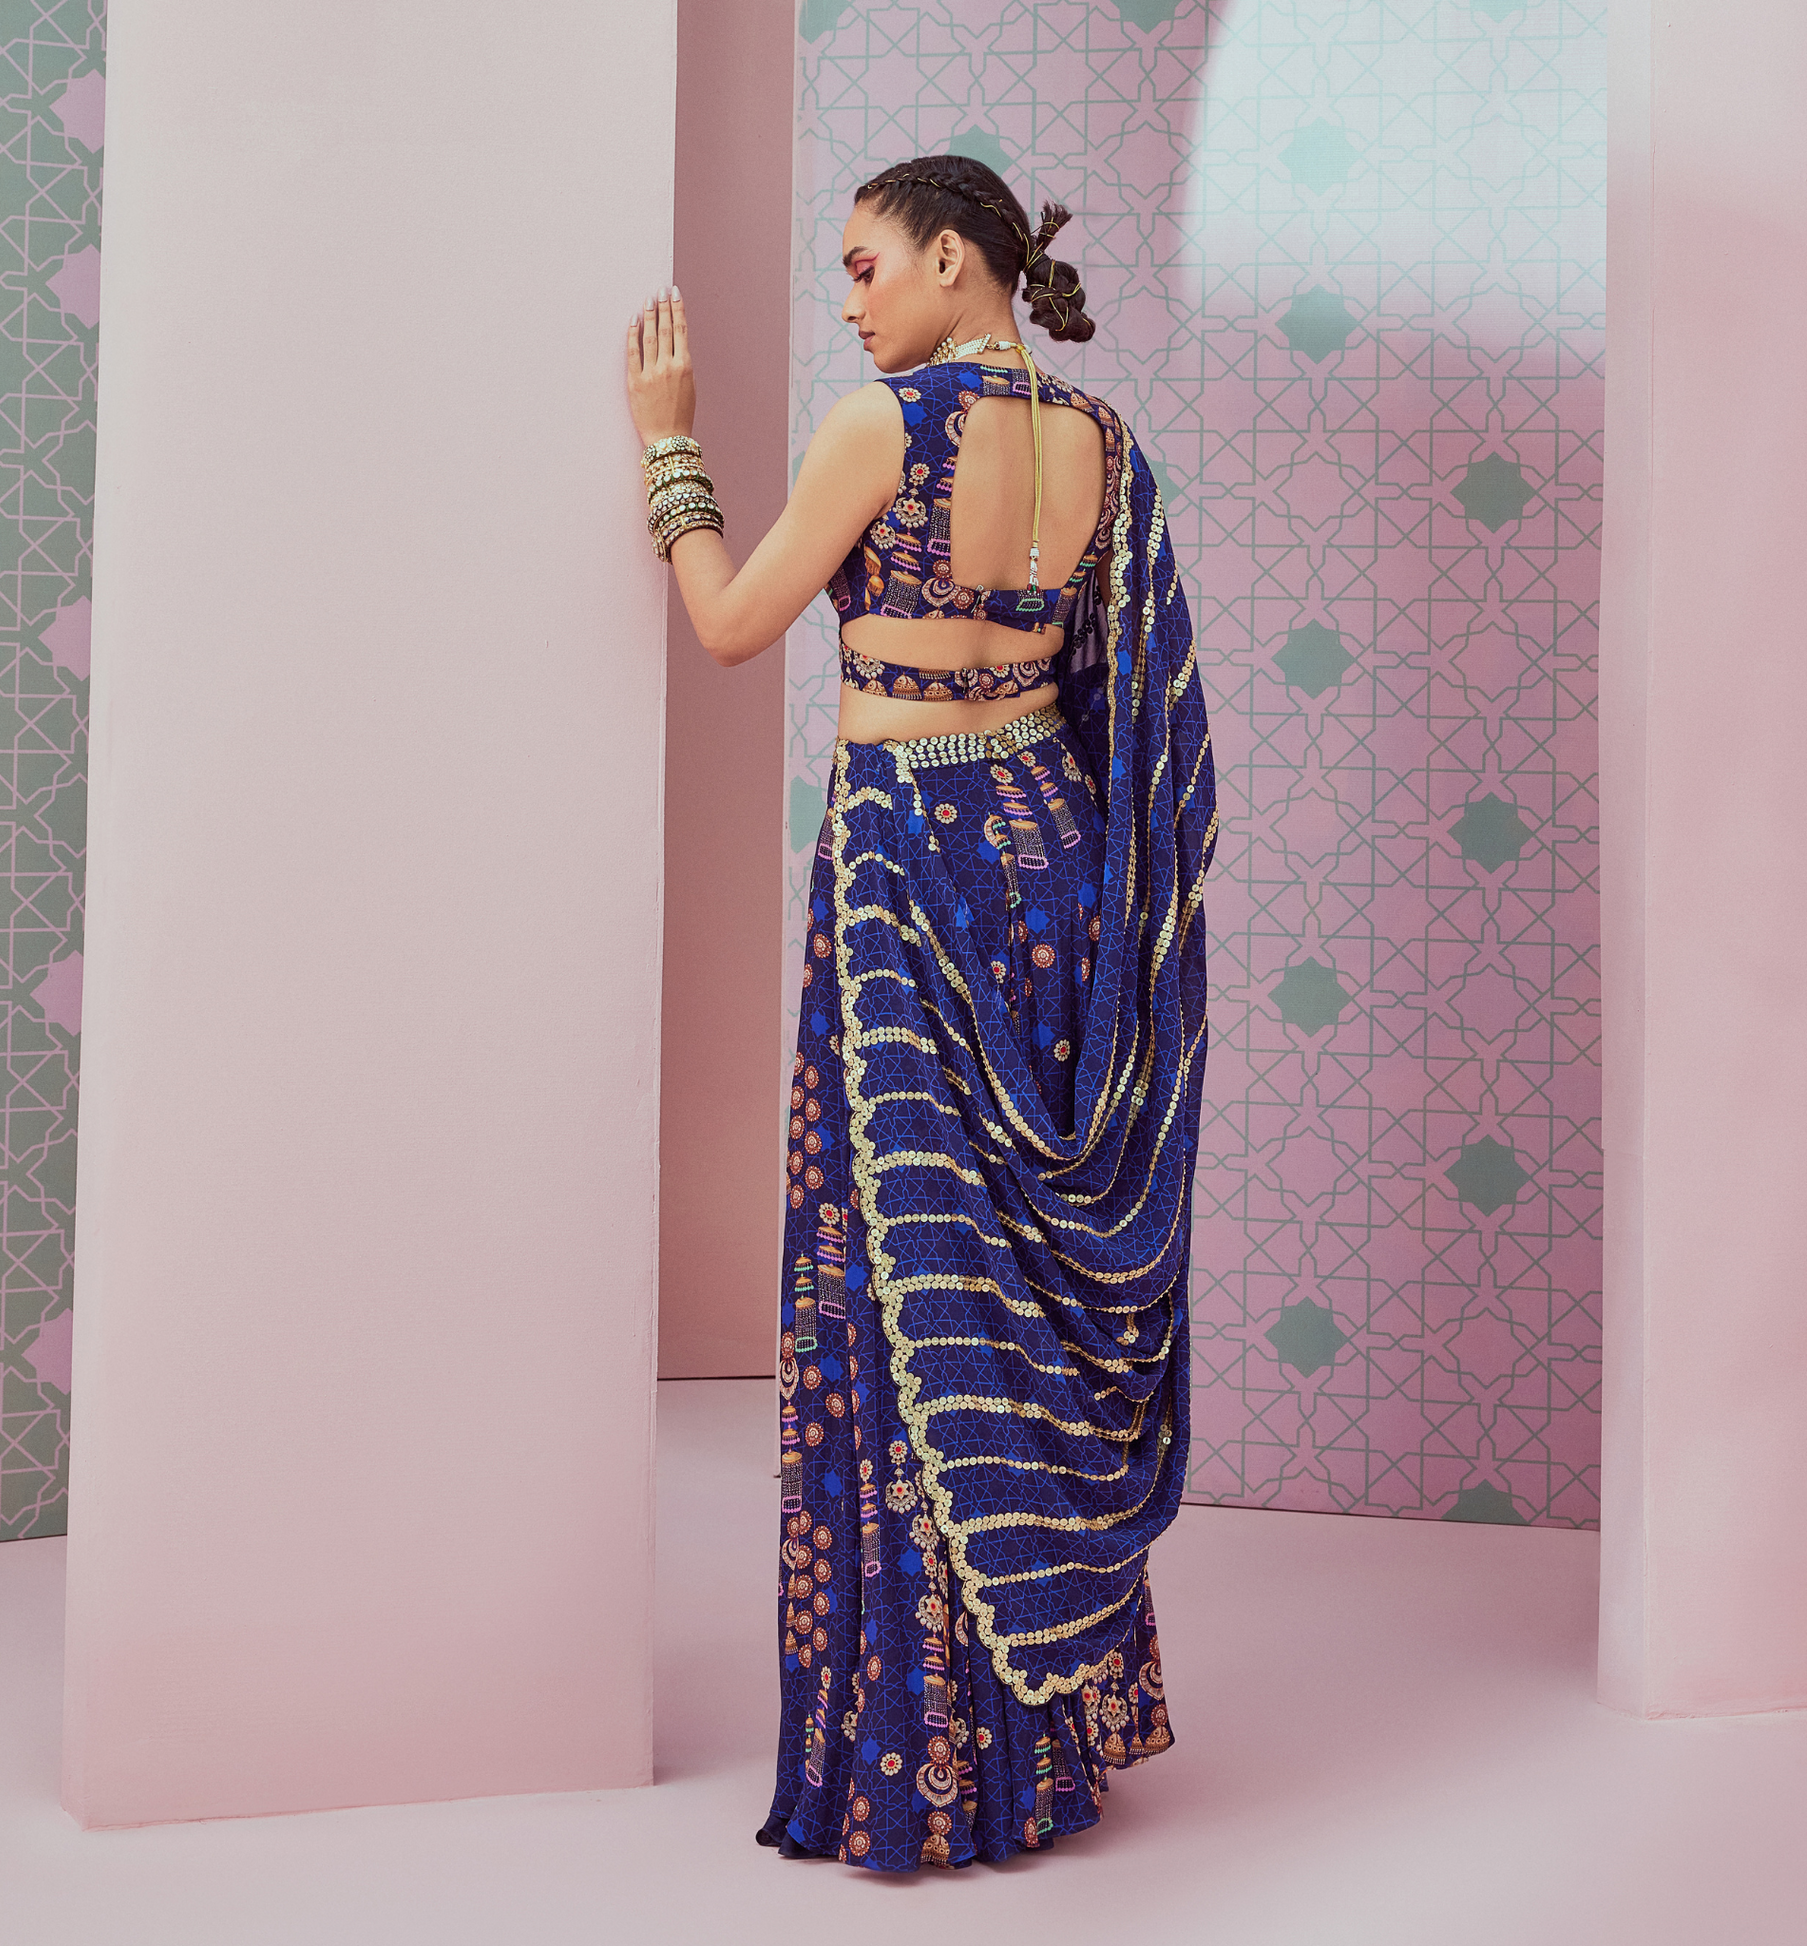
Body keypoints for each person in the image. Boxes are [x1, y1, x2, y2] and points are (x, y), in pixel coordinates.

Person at [625, 153, 1216, 1872]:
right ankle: (1040, 1733)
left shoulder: (878, 425)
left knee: (893, 1286)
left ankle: (925, 1757)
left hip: (909, 864)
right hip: (1054, 864)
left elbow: (731, 623)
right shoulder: (1100, 440)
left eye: (866, 264)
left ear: (956, 260)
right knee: (1007, 1287)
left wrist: (669, 446)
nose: (851, 299)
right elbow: (1121, 707)